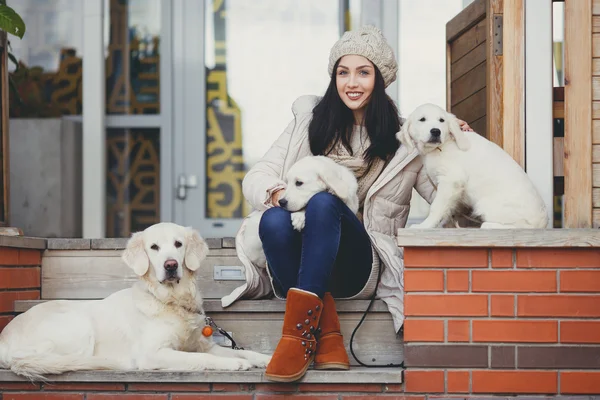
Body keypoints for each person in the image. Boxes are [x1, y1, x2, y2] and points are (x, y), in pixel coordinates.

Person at [221, 25, 472, 383]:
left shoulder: (407, 140)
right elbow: (257, 177)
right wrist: (280, 195)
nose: (351, 82)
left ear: (380, 79)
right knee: (273, 220)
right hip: (299, 256)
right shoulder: (307, 125)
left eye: (363, 72)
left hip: (360, 262)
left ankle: (296, 338)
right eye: (343, 72)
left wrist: (454, 145)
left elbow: (448, 203)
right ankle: (324, 334)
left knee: (324, 204)